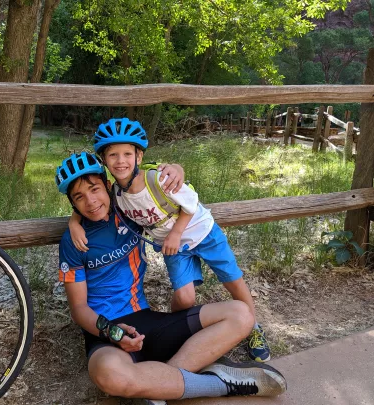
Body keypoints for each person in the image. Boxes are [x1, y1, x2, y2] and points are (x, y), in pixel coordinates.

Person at [55, 152, 287, 404]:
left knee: (241, 314)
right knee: (109, 376)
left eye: (95, 190)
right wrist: (113, 333)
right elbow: (78, 309)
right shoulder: (73, 241)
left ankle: (160, 386)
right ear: (73, 204)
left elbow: (156, 188)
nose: (90, 201)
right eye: (79, 197)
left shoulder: (129, 214)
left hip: (147, 321)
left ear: (108, 186)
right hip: (105, 332)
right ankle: (220, 384)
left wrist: (177, 169)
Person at [68, 118, 271, 362]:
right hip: (173, 248)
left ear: (139, 157)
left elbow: (191, 202)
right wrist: (73, 221)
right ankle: (181, 332)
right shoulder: (116, 194)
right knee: (184, 298)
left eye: (126, 154)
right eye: (113, 155)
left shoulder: (158, 178)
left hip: (202, 232)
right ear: (105, 161)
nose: (120, 161)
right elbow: (90, 199)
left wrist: (176, 229)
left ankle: (255, 328)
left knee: (232, 279)